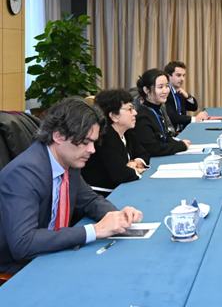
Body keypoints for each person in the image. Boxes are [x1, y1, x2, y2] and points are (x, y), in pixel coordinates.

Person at [0, 98, 143, 274]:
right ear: (58, 136)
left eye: (93, 142)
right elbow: (23, 243)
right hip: (20, 269)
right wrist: (95, 230)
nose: (92, 150)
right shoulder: (23, 174)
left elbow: (89, 200)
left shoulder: (68, 160)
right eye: (85, 142)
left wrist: (116, 216)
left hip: (54, 253)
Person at [82, 89, 150, 194]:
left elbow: (144, 154)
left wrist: (136, 162)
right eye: (130, 109)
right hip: (102, 195)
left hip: (121, 189)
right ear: (114, 116)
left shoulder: (127, 132)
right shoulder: (104, 138)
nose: (135, 113)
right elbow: (120, 175)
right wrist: (135, 170)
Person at [134, 69, 191, 157]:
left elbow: (165, 137)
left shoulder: (159, 108)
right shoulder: (142, 116)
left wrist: (180, 143)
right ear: (146, 90)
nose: (165, 91)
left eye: (167, 86)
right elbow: (153, 148)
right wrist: (181, 146)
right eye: (160, 87)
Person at [164, 61, 208, 133]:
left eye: (183, 75)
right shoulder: (165, 93)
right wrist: (195, 119)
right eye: (178, 75)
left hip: (183, 130)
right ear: (168, 76)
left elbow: (194, 107)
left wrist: (188, 96)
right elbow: (173, 117)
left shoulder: (179, 91)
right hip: (173, 133)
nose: (182, 79)